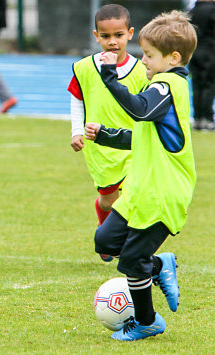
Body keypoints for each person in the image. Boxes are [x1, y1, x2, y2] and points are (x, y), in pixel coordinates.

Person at [85, 10, 197, 341]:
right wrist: (106, 135)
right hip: (141, 189)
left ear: (173, 57)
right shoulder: (160, 86)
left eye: (149, 55)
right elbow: (143, 135)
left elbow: (139, 108)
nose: (143, 60)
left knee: (132, 260)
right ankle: (160, 266)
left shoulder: (168, 84)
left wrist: (109, 79)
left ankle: (147, 321)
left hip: (164, 191)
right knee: (105, 241)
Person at [67, 4, 147, 255]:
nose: (112, 42)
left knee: (134, 196)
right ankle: (105, 232)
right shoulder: (85, 68)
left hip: (133, 144)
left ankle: (127, 244)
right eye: (105, 36)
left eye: (118, 35)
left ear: (130, 33)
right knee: (109, 199)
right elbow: (77, 99)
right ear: (96, 36)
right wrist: (76, 131)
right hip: (99, 146)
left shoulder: (143, 71)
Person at [189, 0, 215, 130]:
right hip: (210, 51)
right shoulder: (212, 9)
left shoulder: (193, 10)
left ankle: (197, 118)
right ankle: (207, 119)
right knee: (209, 84)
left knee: (196, 84)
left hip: (194, 51)